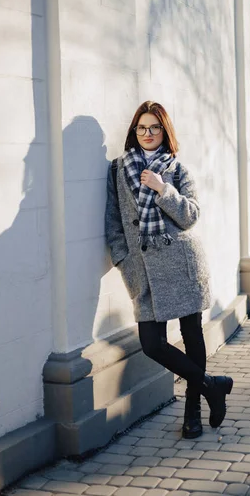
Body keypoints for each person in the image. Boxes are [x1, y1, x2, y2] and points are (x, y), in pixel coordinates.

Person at [105, 101, 233, 439]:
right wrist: (125, 261)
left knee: (192, 336)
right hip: (143, 270)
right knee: (152, 343)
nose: (147, 134)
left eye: (154, 128)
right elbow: (113, 224)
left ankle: (193, 412)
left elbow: (190, 216)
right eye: (141, 128)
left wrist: (163, 189)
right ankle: (211, 387)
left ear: (165, 131)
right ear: (134, 131)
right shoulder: (118, 169)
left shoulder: (177, 170)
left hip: (182, 263)